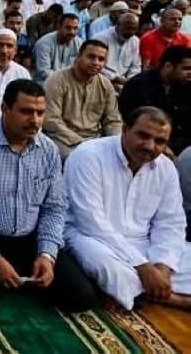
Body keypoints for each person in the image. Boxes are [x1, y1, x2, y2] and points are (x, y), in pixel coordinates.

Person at [0, 79, 98, 311]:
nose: (35, 120)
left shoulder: (48, 150)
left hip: (28, 237)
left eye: (40, 113)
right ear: (5, 109)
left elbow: (54, 207)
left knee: (81, 297)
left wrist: (47, 255)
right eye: (26, 111)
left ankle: (20, 275)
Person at [65, 107, 191, 310]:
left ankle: (142, 293)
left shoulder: (165, 169)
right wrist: (143, 267)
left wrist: (163, 266)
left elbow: (170, 223)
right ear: (125, 129)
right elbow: (90, 221)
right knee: (110, 269)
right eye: (143, 135)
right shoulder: (88, 155)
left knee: (179, 257)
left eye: (160, 141)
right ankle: (171, 298)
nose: (150, 146)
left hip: (144, 242)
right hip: (92, 238)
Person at [43, 39, 123, 158]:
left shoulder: (105, 84)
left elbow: (113, 120)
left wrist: (116, 143)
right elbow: (51, 120)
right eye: (91, 57)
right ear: (79, 56)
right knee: (79, 158)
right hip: (63, 139)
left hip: (95, 139)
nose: (96, 63)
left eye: (101, 59)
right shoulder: (57, 80)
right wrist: (82, 143)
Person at [119, 46, 191, 155]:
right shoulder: (140, 86)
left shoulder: (184, 85)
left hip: (181, 145)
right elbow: (139, 126)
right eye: (186, 69)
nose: (190, 73)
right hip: (150, 144)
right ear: (168, 66)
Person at [94, 12, 141, 91]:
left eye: (134, 29)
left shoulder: (135, 41)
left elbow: (136, 67)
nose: (131, 32)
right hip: (101, 80)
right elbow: (96, 66)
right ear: (118, 25)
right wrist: (115, 79)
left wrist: (130, 83)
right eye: (128, 28)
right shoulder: (101, 38)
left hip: (125, 84)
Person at [33, 13, 82, 84]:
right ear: (59, 26)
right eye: (68, 28)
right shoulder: (44, 43)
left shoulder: (79, 43)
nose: (72, 32)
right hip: (47, 82)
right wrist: (68, 79)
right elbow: (44, 71)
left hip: (70, 82)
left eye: (75, 28)